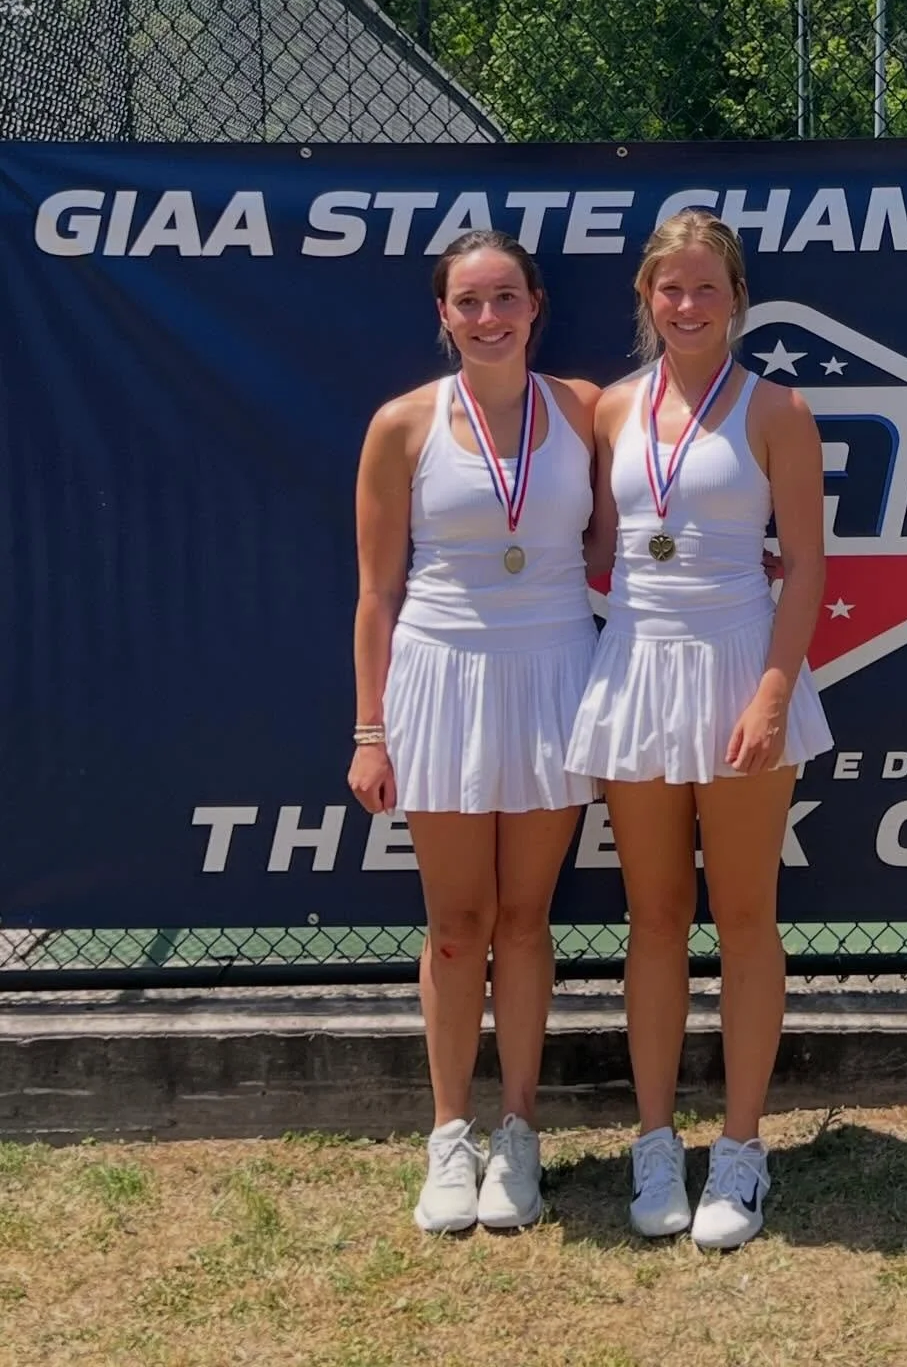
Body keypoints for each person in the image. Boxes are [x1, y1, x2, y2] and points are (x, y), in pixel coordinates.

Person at [566, 209, 833, 1249]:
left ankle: (741, 1149)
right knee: (654, 918)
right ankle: (654, 1142)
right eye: (669, 288)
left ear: (736, 300)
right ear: (645, 298)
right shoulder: (609, 411)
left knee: (748, 917)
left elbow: (806, 563)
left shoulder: (778, 411)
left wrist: (772, 690)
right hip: (634, 667)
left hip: (738, 671)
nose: (687, 305)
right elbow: (589, 541)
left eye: (706, 288)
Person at [348, 229, 600, 1234]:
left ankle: (521, 1134)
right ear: (442, 316)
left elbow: (655, 512)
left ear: (537, 305)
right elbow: (376, 593)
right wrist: (371, 729)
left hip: (554, 673)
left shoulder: (587, 409)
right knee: (458, 928)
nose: (488, 318)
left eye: (506, 298)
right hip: (439, 678)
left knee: (527, 920)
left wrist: (729, 566)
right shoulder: (401, 425)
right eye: (468, 302)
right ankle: (449, 1134)